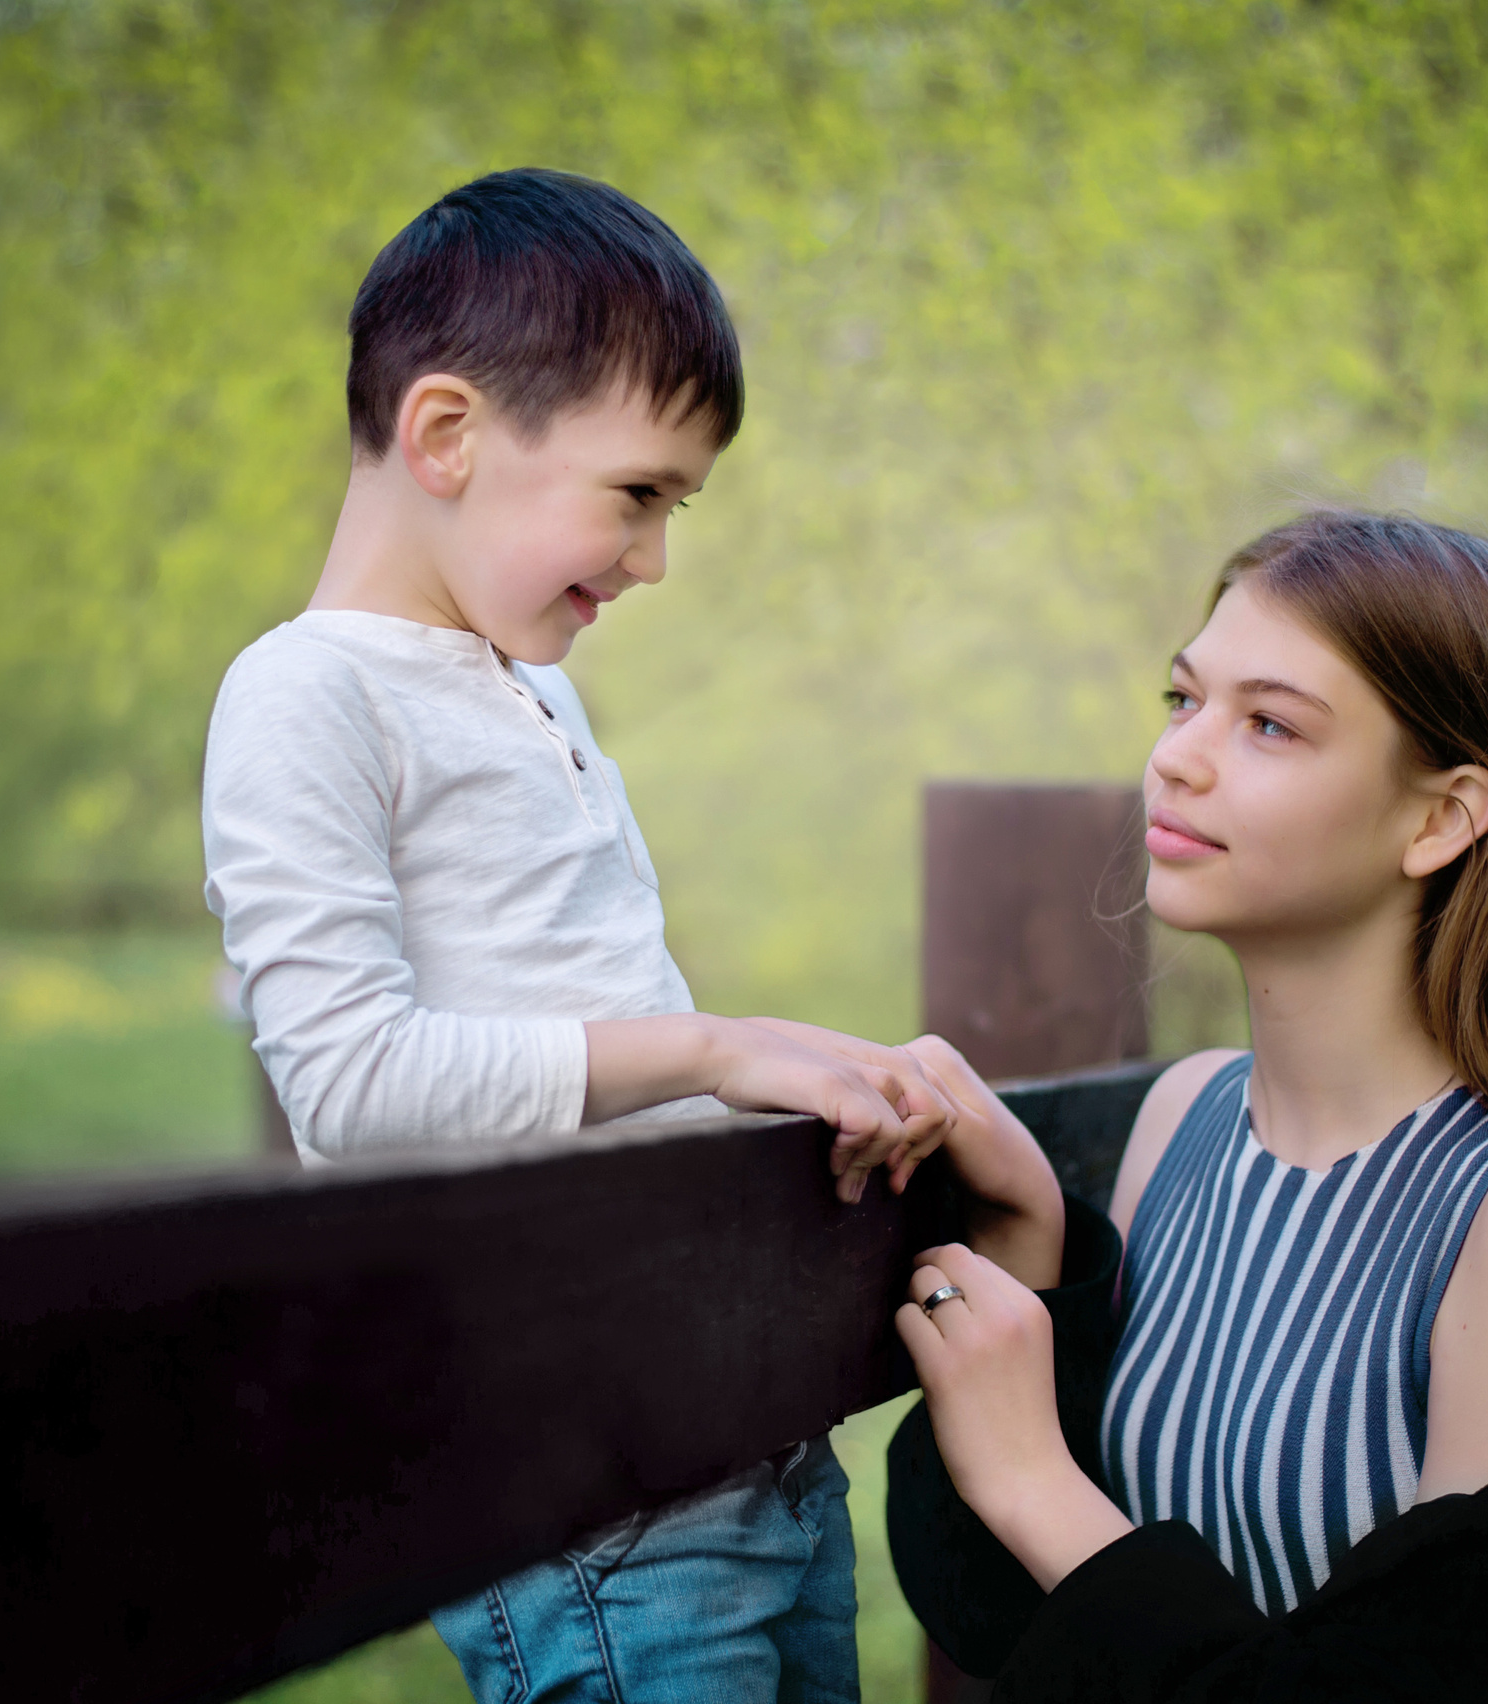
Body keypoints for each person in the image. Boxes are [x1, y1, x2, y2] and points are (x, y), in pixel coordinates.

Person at [201, 167, 952, 1704]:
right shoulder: (305, 697)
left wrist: (790, 1061)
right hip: (584, 1484)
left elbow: (582, 1007)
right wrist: (714, 1050)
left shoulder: (533, 686)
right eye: (639, 495)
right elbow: (349, 1085)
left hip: (744, 1436)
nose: (655, 558)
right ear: (447, 435)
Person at [882, 511, 1488, 1702]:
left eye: (1269, 724)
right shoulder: (1183, 1119)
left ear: (1440, 818)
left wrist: (1035, 1484)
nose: (1178, 757)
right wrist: (1030, 1242)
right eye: (1182, 700)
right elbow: (1008, 1625)